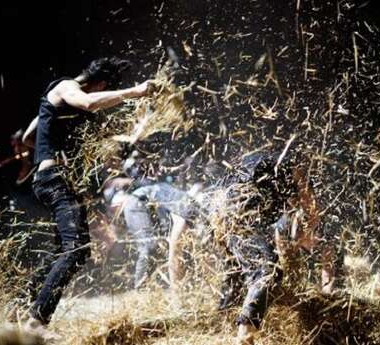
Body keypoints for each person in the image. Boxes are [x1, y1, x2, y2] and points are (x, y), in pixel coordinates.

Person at [20, 57, 154, 338]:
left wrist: (54, 150)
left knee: (65, 251)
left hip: (49, 179)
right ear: (101, 83)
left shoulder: (54, 101)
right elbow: (90, 103)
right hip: (54, 180)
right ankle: (35, 323)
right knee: (76, 249)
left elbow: (29, 137)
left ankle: (25, 305)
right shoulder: (67, 86)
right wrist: (136, 92)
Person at [169, 152, 337, 345]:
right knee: (267, 271)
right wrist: (305, 235)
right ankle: (244, 336)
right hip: (238, 209)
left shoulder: (273, 178)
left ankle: (223, 324)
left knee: (238, 274)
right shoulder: (293, 174)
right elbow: (311, 211)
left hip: (223, 210)